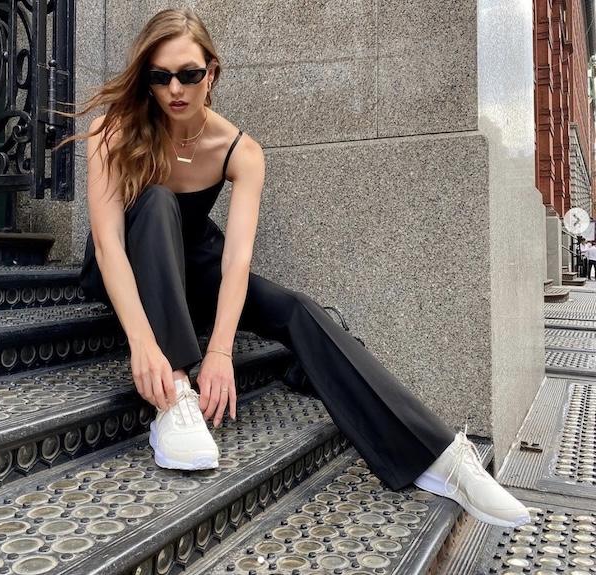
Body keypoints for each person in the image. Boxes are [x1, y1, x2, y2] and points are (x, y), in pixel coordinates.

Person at [55, 8, 530, 528]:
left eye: (188, 74)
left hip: (193, 264)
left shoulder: (239, 150)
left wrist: (221, 351)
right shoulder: (113, 131)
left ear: (211, 73)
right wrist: (145, 345)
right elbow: (108, 246)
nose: (175, 89)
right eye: (160, 76)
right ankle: (174, 399)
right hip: (127, 264)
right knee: (157, 201)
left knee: (297, 309)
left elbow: (237, 259)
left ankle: (441, 457)